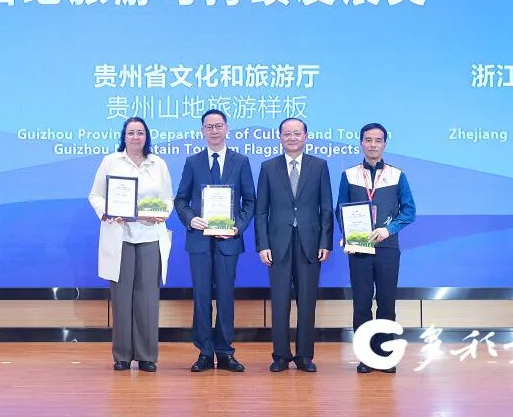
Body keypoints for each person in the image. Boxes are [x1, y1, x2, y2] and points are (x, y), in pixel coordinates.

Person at [88, 117, 173, 372]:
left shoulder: (158, 164)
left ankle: (147, 356)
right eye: (131, 133)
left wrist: (161, 213)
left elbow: (168, 199)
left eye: (140, 133)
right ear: (123, 136)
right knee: (121, 297)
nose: (136, 137)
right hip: (120, 235)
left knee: (148, 298)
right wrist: (107, 212)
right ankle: (122, 355)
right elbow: (95, 195)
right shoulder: (111, 161)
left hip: (150, 236)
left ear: (147, 136)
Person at [174, 109, 256, 373]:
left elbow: (250, 201)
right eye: (209, 127)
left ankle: (225, 351)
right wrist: (191, 219)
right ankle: (205, 352)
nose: (214, 131)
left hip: (228, 241)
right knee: (201, 297)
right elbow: (181, 200)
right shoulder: (193, 162)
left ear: (227, 128)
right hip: (199, 241)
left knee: (225, 296)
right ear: (202, 131)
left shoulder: (241, 161)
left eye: (218, 126)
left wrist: (237, 227)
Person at [255, 117, 333, 373]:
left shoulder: (319, 166)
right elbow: (261, 211)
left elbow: (326, 208)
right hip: (277, 244)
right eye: (287, 134)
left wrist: (325, 241)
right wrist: (262, 245)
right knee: (279, 302)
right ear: (280, 137)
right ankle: (280, 355)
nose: (292, 138)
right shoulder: (268, 167)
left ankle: (304, 356)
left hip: (310, 243)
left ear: (305, 137)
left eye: (297, 133)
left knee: (307, 302)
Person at [336, 122, 415, 374]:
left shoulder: (397, 175)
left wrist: (388, 230)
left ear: (384, 144)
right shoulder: (349, 175)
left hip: (387, 247)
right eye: (368, 140)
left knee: (386, 303)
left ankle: (384, 356)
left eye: (378, 140)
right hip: (359, 248)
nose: (372, 145)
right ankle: (366, 357)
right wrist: (348, 235)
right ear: (361, 143)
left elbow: (409, 211)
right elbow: (340, 209)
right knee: (361, 304)